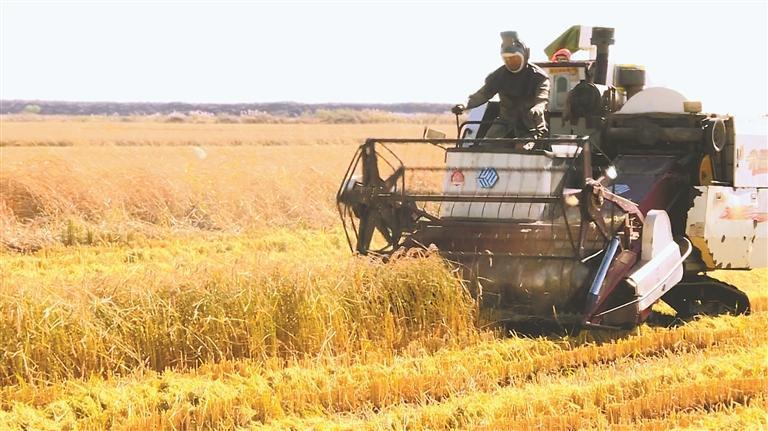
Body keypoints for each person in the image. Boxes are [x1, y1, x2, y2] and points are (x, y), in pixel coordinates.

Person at [452, 31, 550, 143]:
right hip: (505, 123)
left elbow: (542, 99)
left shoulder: (539, 77)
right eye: (507, 59)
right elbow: (482, 94)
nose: (511, 62)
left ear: (525, 55)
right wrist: (464, 105)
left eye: (515, 58)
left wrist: (538, 108)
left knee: (524, 148)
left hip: (531, 125)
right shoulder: (499, 75)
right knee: (486, 145)